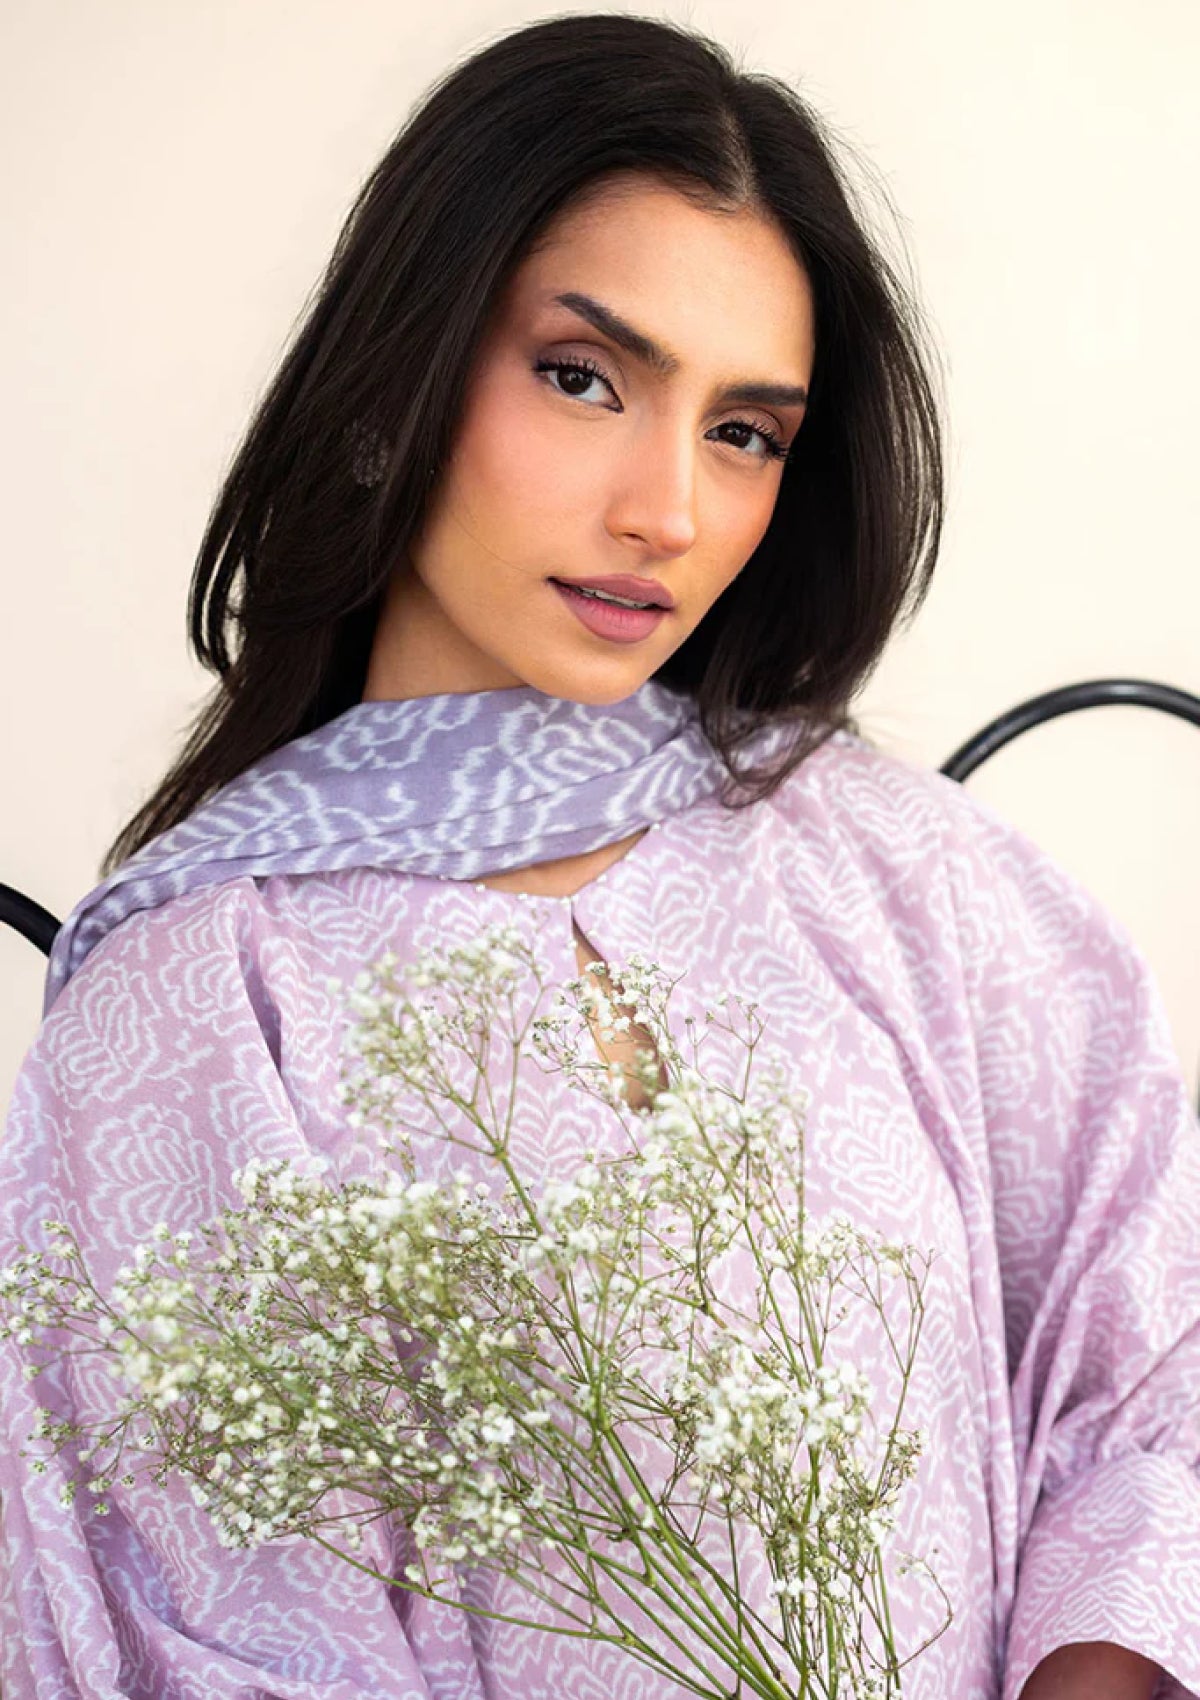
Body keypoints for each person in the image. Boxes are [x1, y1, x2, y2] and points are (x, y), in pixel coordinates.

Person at [1, 14, 1196, 1699]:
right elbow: (206, 1642)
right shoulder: (202, 1006)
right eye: (584, 378)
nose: (668, 512)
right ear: (400, 378)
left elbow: (1156, 1357)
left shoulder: (883, 862)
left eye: (743, 432)